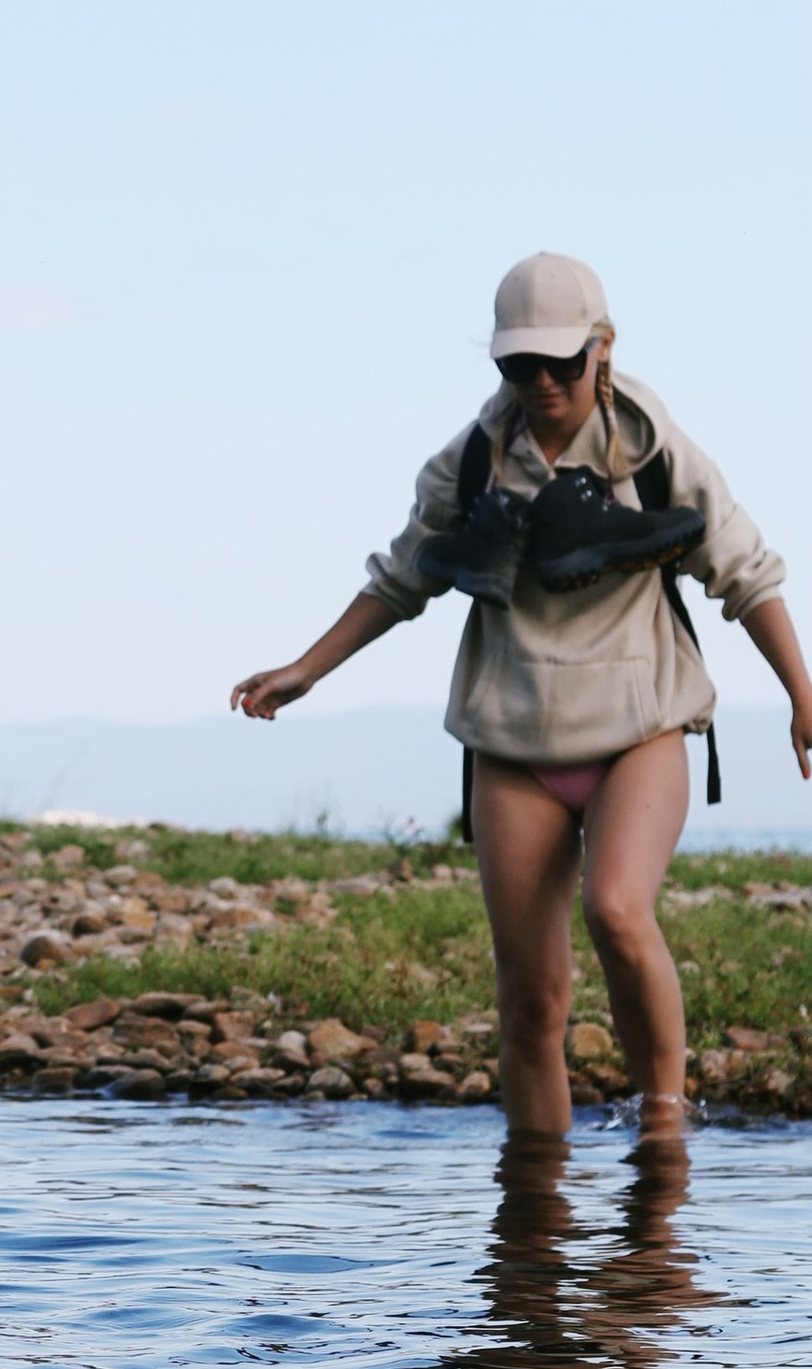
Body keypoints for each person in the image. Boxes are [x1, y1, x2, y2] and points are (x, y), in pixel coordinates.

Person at [232, 252, 812, 1136]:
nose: (541, 381)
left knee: (617, 910)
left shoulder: (658, 454)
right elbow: (402, 578)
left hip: (638, 728)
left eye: (561, 361)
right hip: (511, 743)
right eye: (519, 364)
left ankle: (664, 1143)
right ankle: (535, 1199)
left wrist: (802, 695)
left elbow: (747, 573)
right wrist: (306, 669)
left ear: (603, 346)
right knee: (531, 996)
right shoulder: (471, 461)